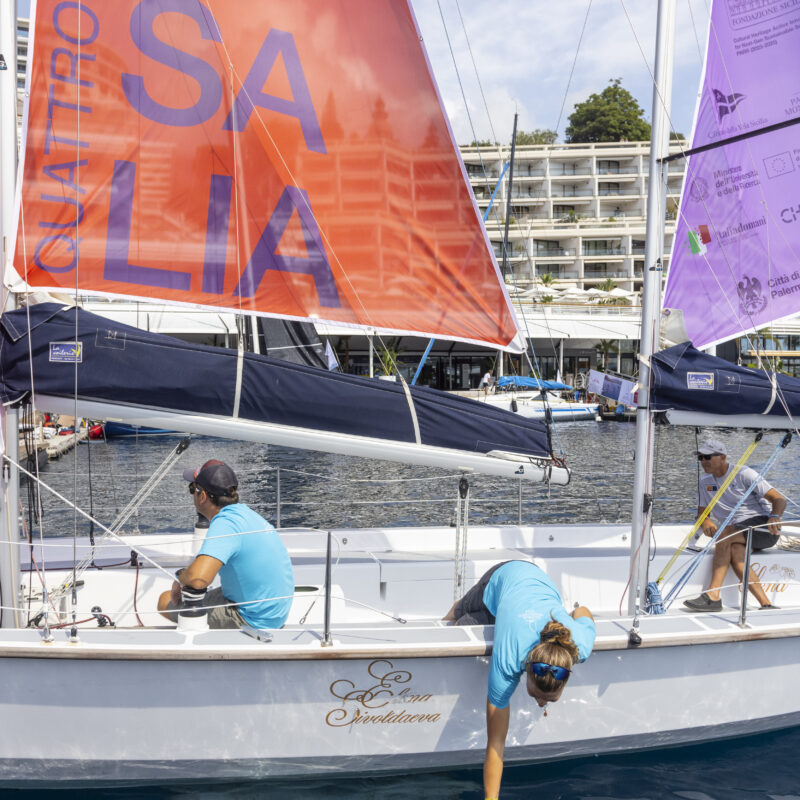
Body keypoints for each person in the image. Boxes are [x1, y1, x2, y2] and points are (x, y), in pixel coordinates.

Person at [444, 560, 595, 800]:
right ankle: (448, 615)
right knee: (458, 618)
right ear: (526, 669)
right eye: (537, 695)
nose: (541, 704)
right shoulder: (509, 656)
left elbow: (583, 611)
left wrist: (571, 619)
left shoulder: (580, 647)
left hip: (538, 586)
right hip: (504, 576)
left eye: (549, 700)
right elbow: (495, 745)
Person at [158, 459, 294, 629]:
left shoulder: (225, 523)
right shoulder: (246, 514)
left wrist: (181, 577)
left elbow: (198, 580)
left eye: (192, 489)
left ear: (202, 496)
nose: (192, 493)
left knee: (164, 601)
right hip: (273, 613)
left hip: (251, 618)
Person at [683, 439, 785, 613]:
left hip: (763, 527)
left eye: (707, 457)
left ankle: (713, 596)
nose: (703, 461)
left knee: (725, 534)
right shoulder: (704, 481)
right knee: (735, 551)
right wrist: (706, 521)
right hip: (736, 531)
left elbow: (778, 498)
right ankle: (766, 604)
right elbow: (702, 513)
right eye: (700, 457)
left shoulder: (744, 473)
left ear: (722, 457)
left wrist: (775, 516)